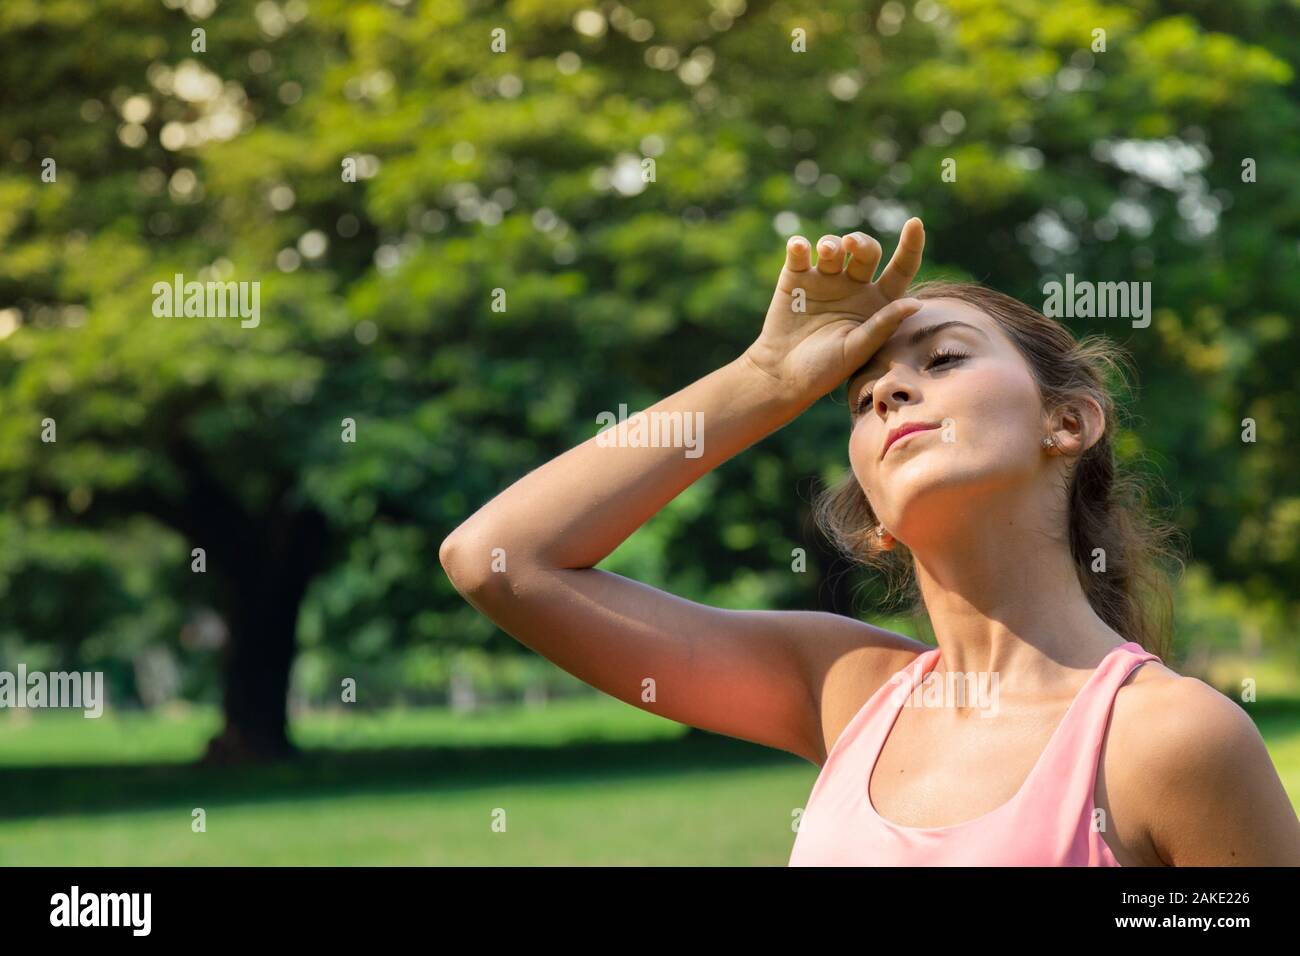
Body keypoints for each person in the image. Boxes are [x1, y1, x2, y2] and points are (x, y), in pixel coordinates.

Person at [439, 219, 1300, 865]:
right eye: (859, 397)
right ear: (876, 521)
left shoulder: (1172, 740)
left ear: (1066, 421)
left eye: (945, 359)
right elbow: (499, 560)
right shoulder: (846, 693)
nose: (888, 390)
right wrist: (766, 380)